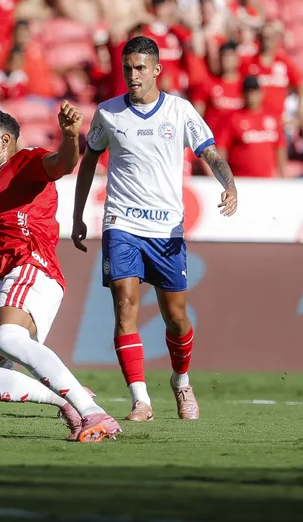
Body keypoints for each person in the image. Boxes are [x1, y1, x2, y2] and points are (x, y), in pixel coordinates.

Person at [72, 36, 238, 422]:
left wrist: (228, 185)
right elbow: (89, 162)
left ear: (157, 69)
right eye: (128, 68)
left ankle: (181, 382)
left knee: (175, 316)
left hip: (166, 230)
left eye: (141, 68)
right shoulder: (108, 113)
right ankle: (140, 400)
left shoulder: (180, 112)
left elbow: (210, 152)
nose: (133, 75)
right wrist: (79, 215)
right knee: (125, 303)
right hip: (121, 223)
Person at [0, 107, 121, 443]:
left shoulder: (24, 161)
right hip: (5, 285)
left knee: (8, 339)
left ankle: (94, 414)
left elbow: (62, 164)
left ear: (4, 140)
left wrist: (69, 134)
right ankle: (68, 399)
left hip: (32, 269)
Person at [220, 76, 288, 178]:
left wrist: (283, 174)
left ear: (261, 93)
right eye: (248, 91)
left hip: (268, 180)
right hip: (241, 179)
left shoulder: (272, 117)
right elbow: (222, 147)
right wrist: (224, 176)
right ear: (242, 94)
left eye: (254, 91)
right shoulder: (233, 118)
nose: (251, 95)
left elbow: (280, 147)